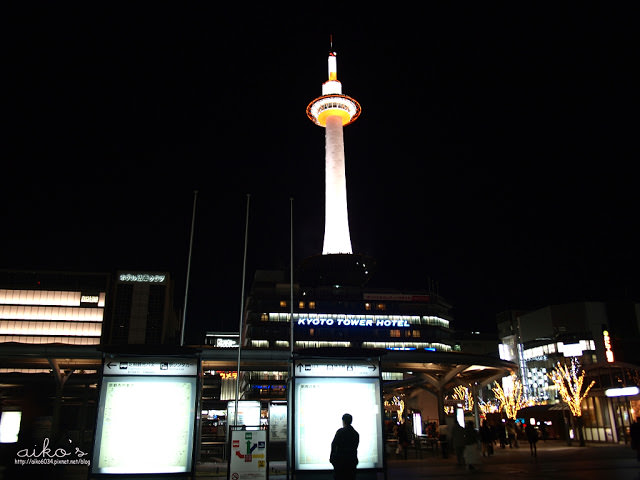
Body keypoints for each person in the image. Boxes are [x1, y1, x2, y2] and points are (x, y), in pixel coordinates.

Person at [330, 413, 359, 480]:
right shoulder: (356, 434)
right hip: (351, 462)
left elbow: (333, 445)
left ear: (343, 421)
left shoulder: (340, 432)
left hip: (340, 463)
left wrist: (332, 458)